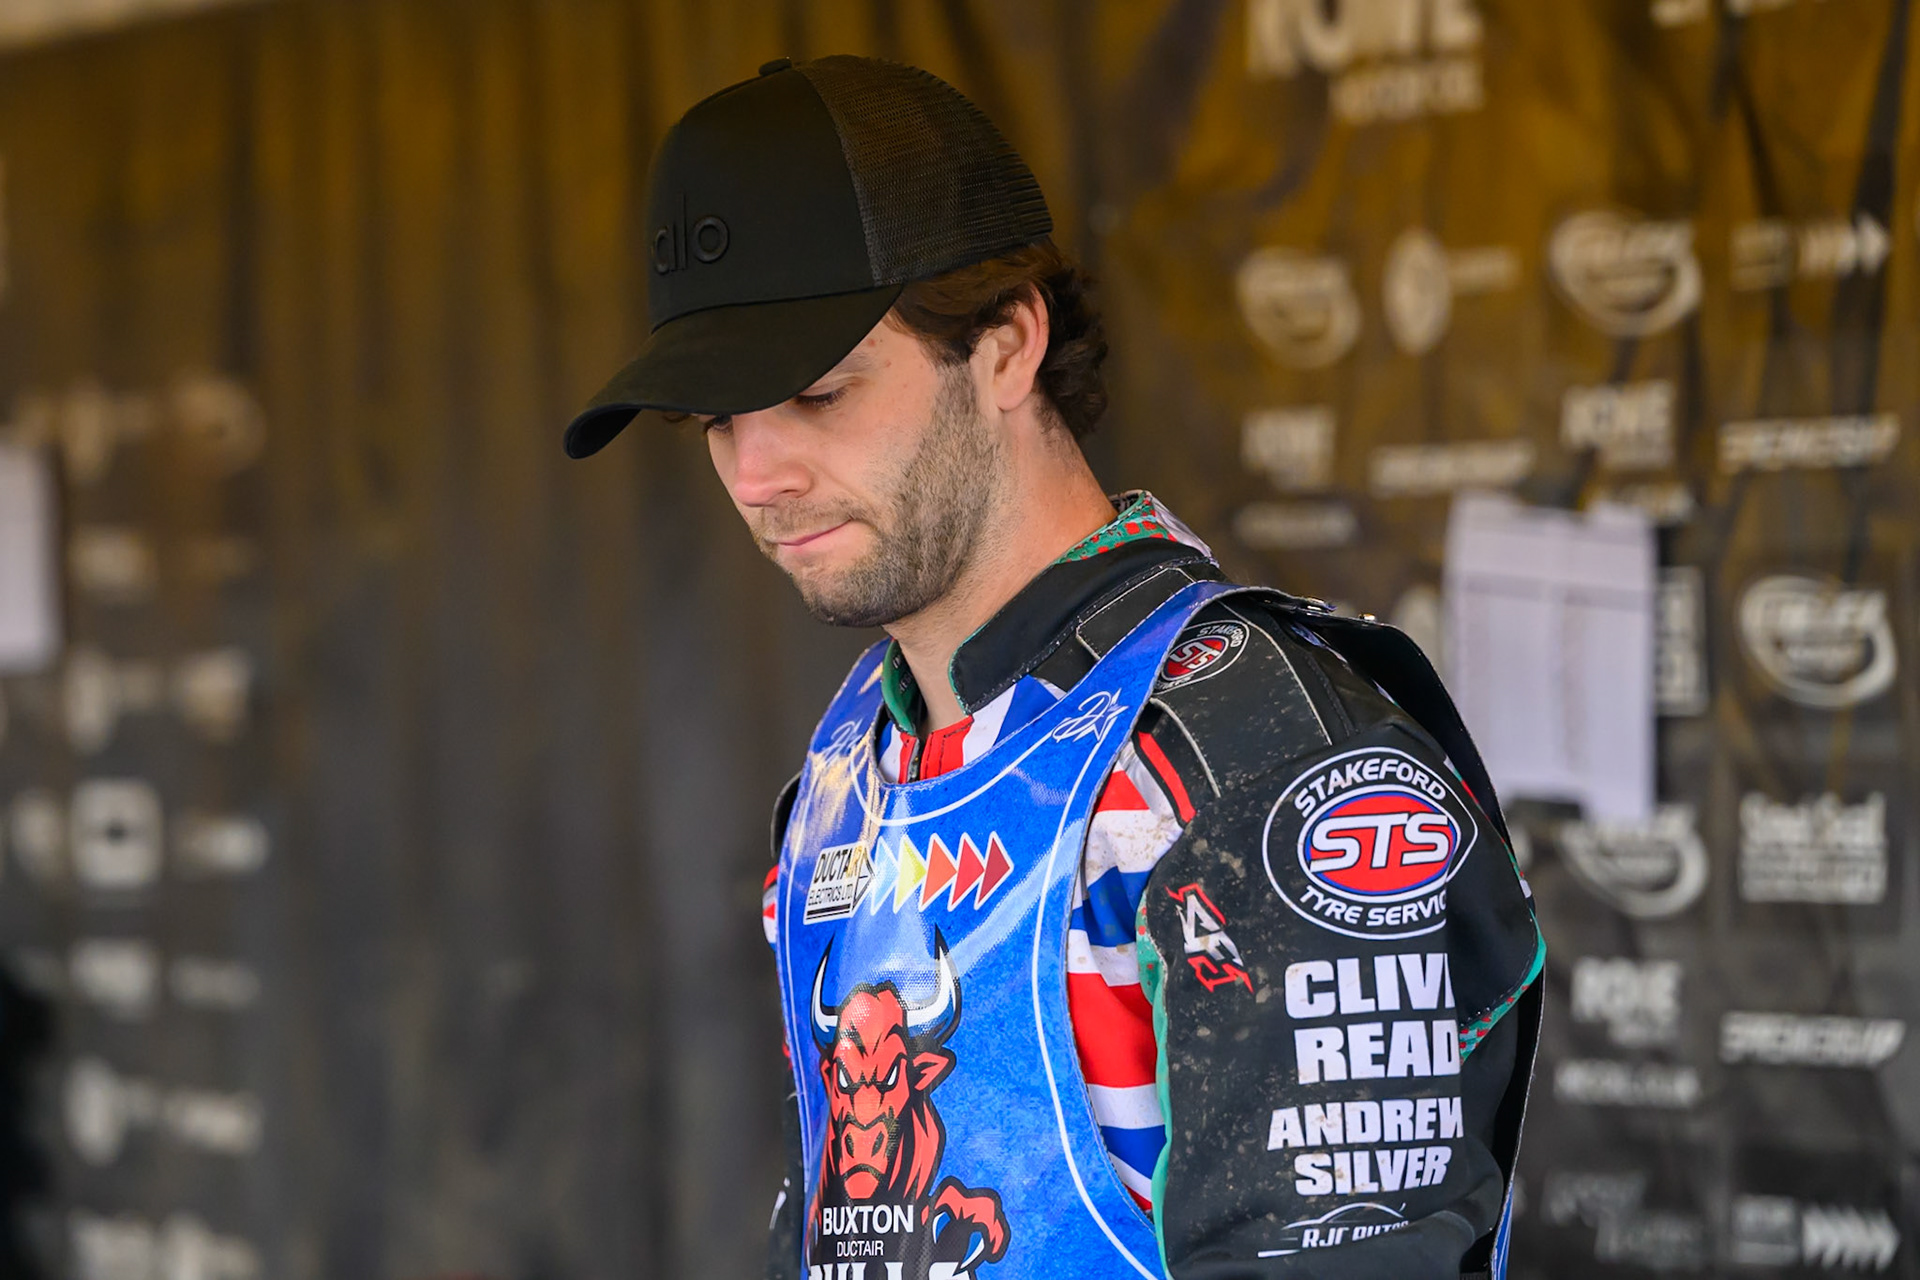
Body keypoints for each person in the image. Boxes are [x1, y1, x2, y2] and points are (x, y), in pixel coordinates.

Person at [563, 54, 1543, 1280]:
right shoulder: (851, 766)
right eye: (712, 420)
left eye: (817, 392)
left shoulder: (1266, 763)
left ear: (1009, 345)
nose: (757, 474)